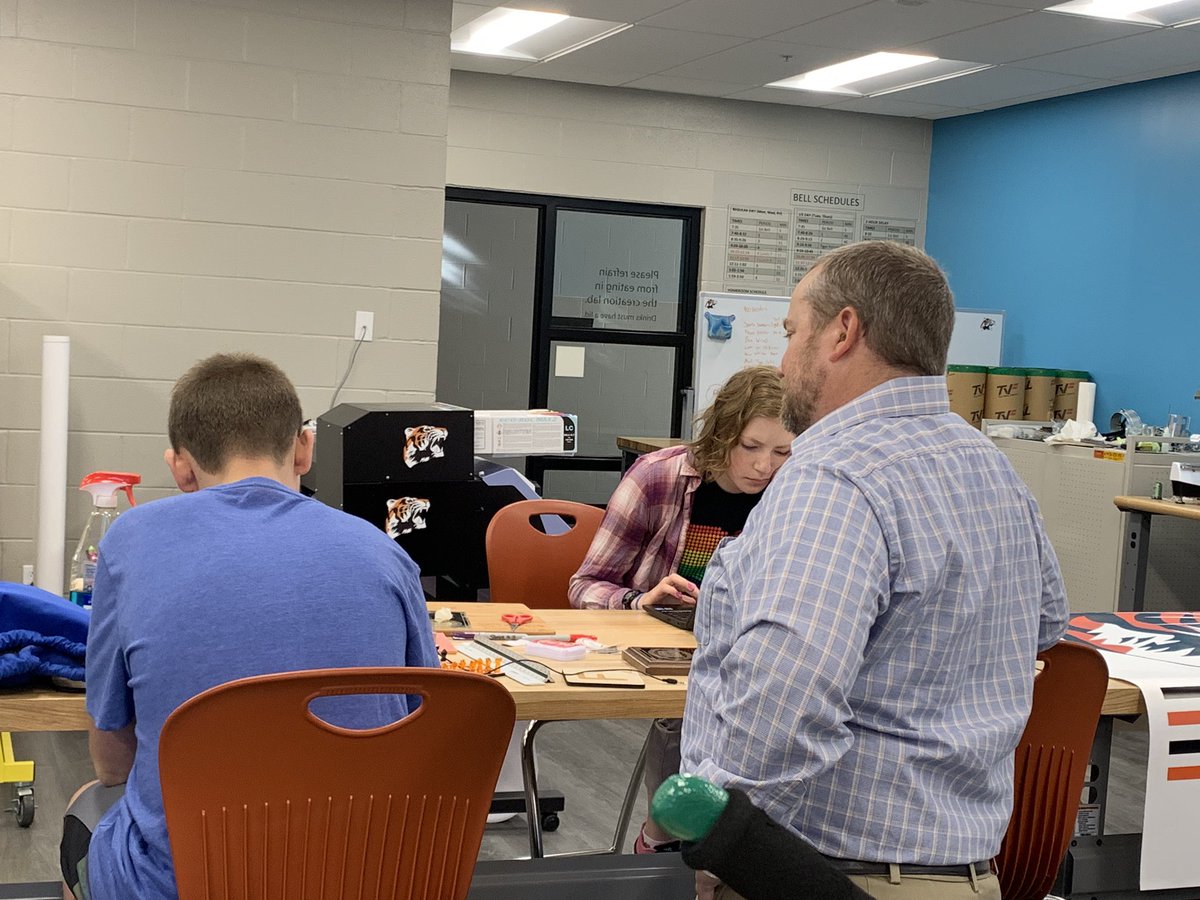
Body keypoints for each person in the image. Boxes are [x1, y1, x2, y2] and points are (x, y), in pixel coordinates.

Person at [680, 241, 1069, 900]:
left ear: (843, 331)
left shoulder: (836, 476)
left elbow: (784, 698)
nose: (783, 357)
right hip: (966, 874)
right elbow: (1047, 621)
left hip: (828, 872)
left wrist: (724, 840)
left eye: (792, 332)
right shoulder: (989, 465)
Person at [61, 353, 438, 900]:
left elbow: (111, 761)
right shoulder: (383, 553)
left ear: (181, 467)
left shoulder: (129, 542)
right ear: (304, 448)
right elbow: (417, 728)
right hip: (364, 875)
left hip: (187, 883)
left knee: (86, 802)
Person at [568, 365, 795, 853]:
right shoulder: (659, 478)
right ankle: (664, 838)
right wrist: (639, 601)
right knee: (690, 712)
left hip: (746, 650)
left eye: (782, 452)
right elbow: (585, 585)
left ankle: (735, 847)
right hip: (666, 649)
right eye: (751, 447)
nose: (765, 467)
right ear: (722, 433)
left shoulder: (793, 492)